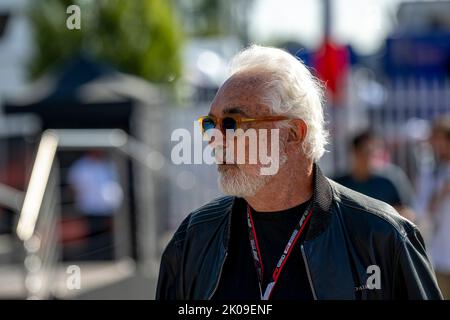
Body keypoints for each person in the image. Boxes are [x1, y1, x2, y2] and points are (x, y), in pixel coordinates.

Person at [156, 45, 442, 300]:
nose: (214, 139)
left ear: (293, 134)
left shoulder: (382, 237)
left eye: (231, 123)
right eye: (210, 124)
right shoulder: (193, 238)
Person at [335, 131, 416, 222]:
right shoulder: (338, 184)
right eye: (367, 152)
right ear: (354, 152)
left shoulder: (390, 180)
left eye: (376, 152)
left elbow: (407, 213)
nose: (371, 157)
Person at [414, 117, 450, 299]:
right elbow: (421, 210)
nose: (437, 146)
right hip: (441, 255)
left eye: (441, 140)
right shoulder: (429, 173)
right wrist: (442, 193)